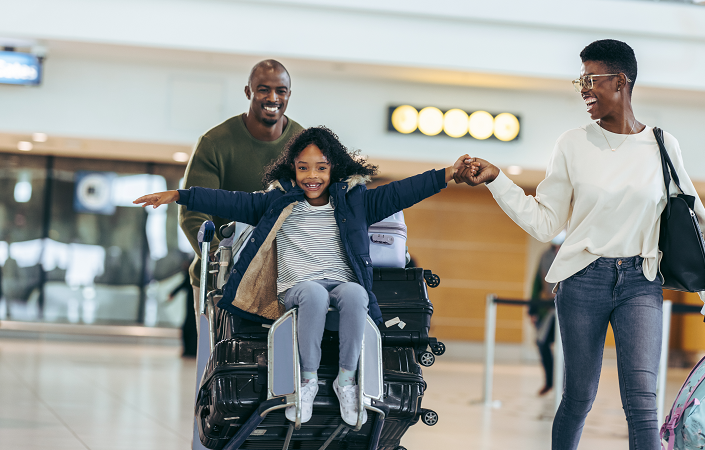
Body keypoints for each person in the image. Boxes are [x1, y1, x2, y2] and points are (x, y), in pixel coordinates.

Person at [455, 39, 705, 450]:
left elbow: (696, 226)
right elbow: (544, 222)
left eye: (591, 79)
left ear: (620, 81)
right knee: (577, 398)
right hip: (583, 280)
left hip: (641, 280)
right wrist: (499, 180)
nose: (583, 88)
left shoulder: (662, 144)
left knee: (642, 402)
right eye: (580, 80)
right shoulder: (572, 144)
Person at [136, 126, 473, 426]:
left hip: (340, 283)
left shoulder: (355, 201)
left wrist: (450, 174)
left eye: (321, 167)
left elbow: (403, 191)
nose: (312, 176)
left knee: (356, 294)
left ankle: (346, 380)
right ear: (292, 169)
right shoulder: (278, 201)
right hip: (297, 289)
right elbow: (230, 200)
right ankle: (307, 380)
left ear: (334, 169)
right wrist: (180, 195)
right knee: (313, 293)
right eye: (303, 167)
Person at [179, 59, 304, 333]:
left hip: (283, 275)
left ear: (289, 95)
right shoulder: (215, 143)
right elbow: (193, 213)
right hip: (220, 276)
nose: (273, 98)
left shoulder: (303, 145)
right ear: (248, 92)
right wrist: (219, 258)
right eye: (263, 89)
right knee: (219, 363)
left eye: (280, 91)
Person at [528, 230, 564, 396]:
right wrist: (532, 309)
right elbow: (536, 283)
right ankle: (550, 382)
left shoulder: (574, 252)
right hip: (548, 309)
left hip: (568, 309)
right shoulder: (545, 256)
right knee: (542, 343)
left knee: (568, 349)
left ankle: (565, 385)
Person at [168, 257, 196, 357]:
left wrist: (173, 293)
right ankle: (189, 350)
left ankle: (190, 350)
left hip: (195, 303)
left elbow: (184, 284)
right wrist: (173, 293)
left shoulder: (194, 271)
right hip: (192, 304)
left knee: (190, 327)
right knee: (189, 327)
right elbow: (184, 284)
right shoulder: (190, 274)